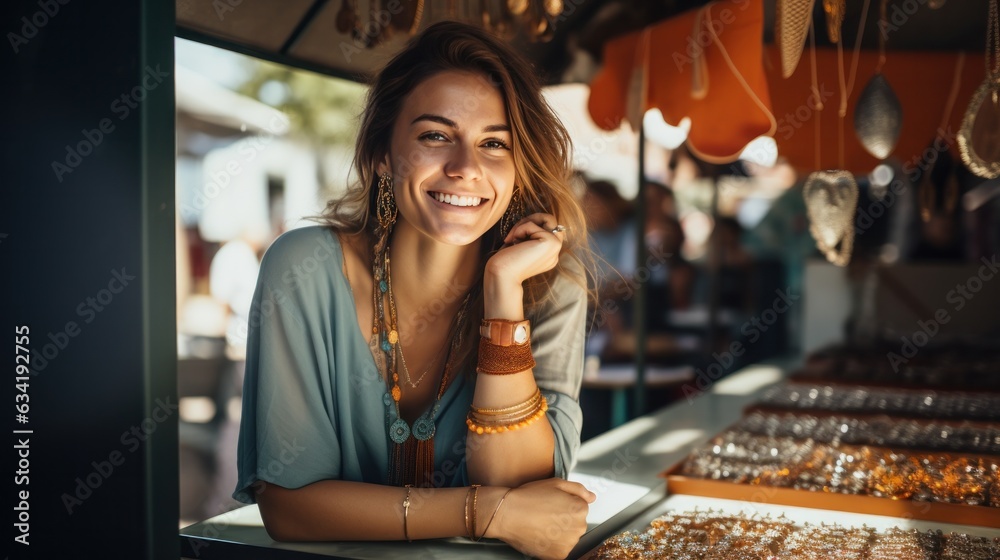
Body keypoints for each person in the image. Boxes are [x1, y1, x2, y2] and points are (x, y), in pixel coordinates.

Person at [233, 21, 597, 560]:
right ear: (382, 153)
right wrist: (482, 514)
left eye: (494, 143)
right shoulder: (304, 269)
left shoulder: (545, 285)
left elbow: (524, 489)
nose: (465, 167)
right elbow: (289, 509)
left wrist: (502, 293)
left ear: (518, 170)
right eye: (435, 135)